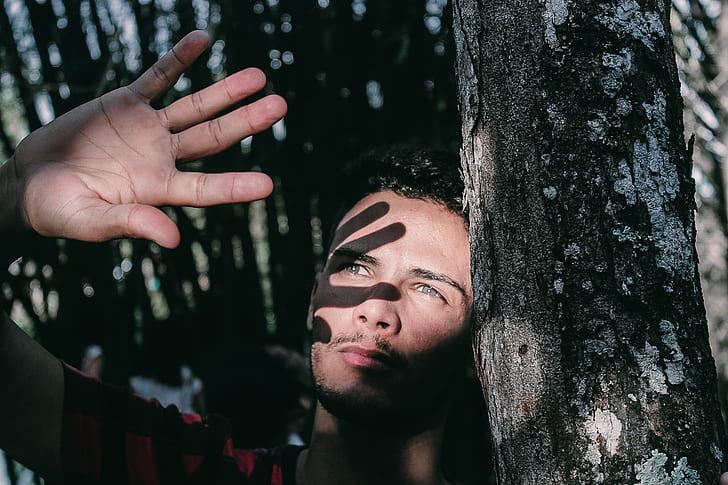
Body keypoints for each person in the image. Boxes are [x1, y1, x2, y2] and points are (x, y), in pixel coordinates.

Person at [0, 31, 721, 485]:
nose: (375, 306)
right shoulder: (196, 470)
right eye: (356, 268)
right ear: (313, 294)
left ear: (485, 351)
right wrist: (13, 198)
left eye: (431, 288)